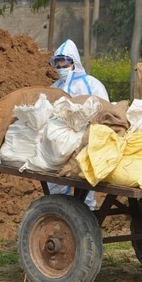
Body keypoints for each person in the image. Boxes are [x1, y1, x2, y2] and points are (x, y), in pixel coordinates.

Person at [49, 39, 110, 210]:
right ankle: (58, 214)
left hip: (86, 143)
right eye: (58, 63)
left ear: (73, 62)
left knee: (85, 186)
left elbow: (105, 112)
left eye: (64, 62)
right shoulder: (55, 87)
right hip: (60, 146)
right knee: (56, 187)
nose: (61, 67)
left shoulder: (91, 85)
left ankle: (86, 218)